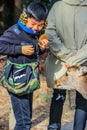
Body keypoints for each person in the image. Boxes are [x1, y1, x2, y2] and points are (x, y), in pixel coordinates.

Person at [0, 2, 48, 130]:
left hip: (28, 80)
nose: (36, 28)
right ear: (25, 18)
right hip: (17, 80)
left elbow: (34, 52)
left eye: (40, 25)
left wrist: (41, 48)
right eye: (33, 24)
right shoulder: (14, 32)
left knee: (26, 118)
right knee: (24, 122)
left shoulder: (35, 32)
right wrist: (19, 49)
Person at [45, 0, 87, 130]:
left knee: (58, 96)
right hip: (83, 61)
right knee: (83, 100)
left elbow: (50, 33)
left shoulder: (57, 7)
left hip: (61, 61)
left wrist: (64, 54)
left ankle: (53, 127)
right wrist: (78, 57)